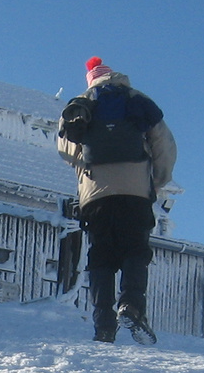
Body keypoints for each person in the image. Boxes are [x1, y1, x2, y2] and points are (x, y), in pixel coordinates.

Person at [56, 57, 177, 344]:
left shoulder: (80, 104)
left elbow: (64, 148)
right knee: (135, 250)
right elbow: (165, 145)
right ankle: (131, 305)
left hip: (96, 193)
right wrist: (154, 182)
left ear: (91, 80)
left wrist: (85, 169)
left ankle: (103, 324)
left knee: (102, 256)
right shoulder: (137, 100)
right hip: (135, 191)